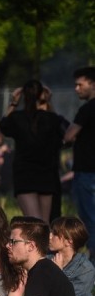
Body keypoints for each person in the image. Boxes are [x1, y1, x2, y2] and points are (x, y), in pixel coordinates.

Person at [0, 80, 65, 223]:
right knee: (44, 222)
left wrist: (14, 102)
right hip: (46, 173)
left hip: (25, 173)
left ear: (24, 96)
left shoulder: (17, 118)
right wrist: (48, 102)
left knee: (33, 222)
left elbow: (3, 125)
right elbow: (61, 126)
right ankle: (45, 245)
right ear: (42, 95)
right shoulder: (51, 118)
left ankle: (39, 245)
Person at [63, 66, 95, 264]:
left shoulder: (87, 109)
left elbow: (68, 135)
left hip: (87, 173)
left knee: (90, 221)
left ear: (92, 83)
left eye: (79, 84)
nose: (76, 89)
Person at [49, 216, 95, 296]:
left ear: (69, 242)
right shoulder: (47, 260)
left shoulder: (86, 269)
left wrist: (58, 274)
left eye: (55, 234)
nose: (50, 236)